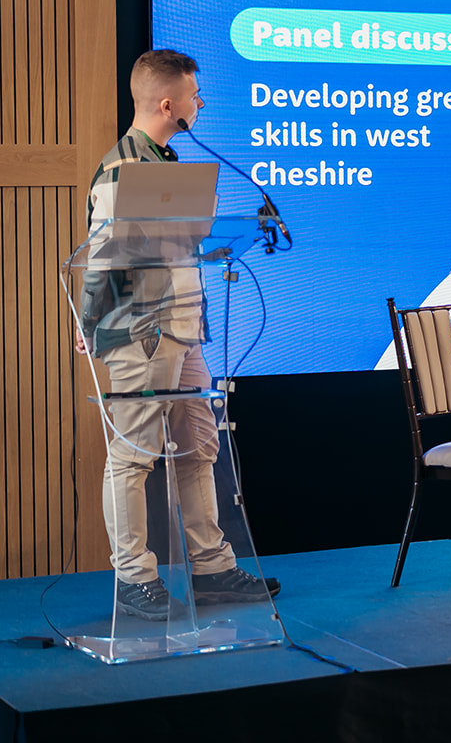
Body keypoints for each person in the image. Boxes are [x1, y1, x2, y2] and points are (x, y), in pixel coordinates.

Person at [77, 49, 278, 620]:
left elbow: (172, 249)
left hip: (183, 330)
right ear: (169, 104)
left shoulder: (166, 163)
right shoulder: (122, 171)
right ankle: (133, 579)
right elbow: (101, 259)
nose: (202, 103)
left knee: (198, 445)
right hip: (139, 333)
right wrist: (93, 325)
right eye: (195, 95)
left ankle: (212, 570)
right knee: (134, 455)